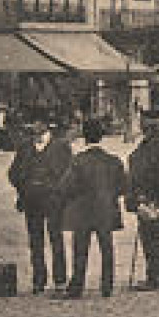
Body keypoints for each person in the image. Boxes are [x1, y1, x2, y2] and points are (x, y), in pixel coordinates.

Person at [52, 119, 127, 300]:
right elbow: (124, 186)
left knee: (80, 250)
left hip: (83, 212)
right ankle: (107, 286)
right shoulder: (114, 161)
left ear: (85, 138)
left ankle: (77, 286)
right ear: (102, 137)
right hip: (105, 210)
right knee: (107, 248)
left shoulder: (78, 161)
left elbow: (65, 187)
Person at [7, 119, 74, 294]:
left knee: (56, 239)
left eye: (37, 123)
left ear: (46, 125)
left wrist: (59, 190)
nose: (34, 127)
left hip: (53, 200)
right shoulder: (25, 147)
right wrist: (24, 187)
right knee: (35, 242)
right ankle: (39, 280)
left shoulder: (61, 147)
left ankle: (60, 279)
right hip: (31, 201)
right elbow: (13, 172)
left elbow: (70, 172)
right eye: (32, 124)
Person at [126, 112, 159, 291]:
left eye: (143, 120)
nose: (140, 124)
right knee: (153, 236)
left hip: (153, 198)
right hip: (157, 197)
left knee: (150, 236)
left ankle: (155, 277)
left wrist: (144, 195)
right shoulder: (157, 141)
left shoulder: (157, 143)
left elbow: (152, 172)